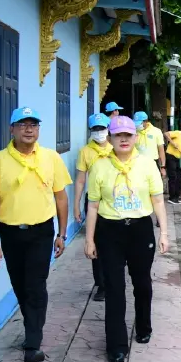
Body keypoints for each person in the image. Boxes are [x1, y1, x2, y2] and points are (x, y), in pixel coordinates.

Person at [0, 107, 72, 362]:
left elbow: (61, 197)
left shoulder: (51, 158)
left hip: (42, 231)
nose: (29, 129)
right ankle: (32, 329)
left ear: (39, 129)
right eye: (22, 124)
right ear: (12, 129)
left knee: (35, 285)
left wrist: (62, 233)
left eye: (33, 124)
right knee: (20, 285)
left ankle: (32, 344)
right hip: (10, 233)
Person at [85, 116, 170, 362]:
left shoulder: (146, 164)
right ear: (110, 138)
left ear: (135, 137)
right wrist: (89, 239)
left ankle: (143, 326)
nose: (123, 139)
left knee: (142, 283)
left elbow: (157, 201)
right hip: (109, 230)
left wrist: (163, 233)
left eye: (128, 135)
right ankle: (116, 344)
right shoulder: (100, 167)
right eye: (118, 135)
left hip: (140, 230)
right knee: (114, 287)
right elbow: (92, 206)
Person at [74, 113, 113, 302]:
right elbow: (81, 180)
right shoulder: (85, 152)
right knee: (96, 241)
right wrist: (76, 205)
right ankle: (101, 284)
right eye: (95, 129)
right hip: (94, 201)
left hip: (114, 199)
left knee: (113, 242)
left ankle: (114, 279)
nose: (99, 132)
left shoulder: (116, 147)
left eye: (102, 128)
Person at [132, 111, 167, 178]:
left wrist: (163, 167)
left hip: (152, 162)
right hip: (137, 163)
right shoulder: (133, 131)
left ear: (145, 121)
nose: (137, 125)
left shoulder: (156, 131)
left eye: (139, 123)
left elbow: (161, 150)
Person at [165, 118, 181, 204]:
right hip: (170, 156)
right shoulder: (179, 133)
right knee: (173, 177)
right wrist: (172, 142)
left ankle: (177, 196)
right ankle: (172, 197)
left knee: (179, 176)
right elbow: (166, 134)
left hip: (176, 158)